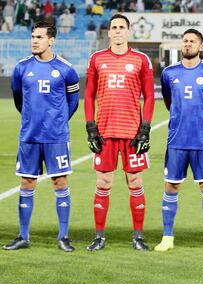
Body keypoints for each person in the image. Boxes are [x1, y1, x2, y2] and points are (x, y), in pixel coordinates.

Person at [4, 21, 79, 252]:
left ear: (51, 40)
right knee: (26, 182)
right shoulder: (21, 68)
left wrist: (58, 122)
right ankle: (23, 236)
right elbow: (18, 99)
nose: (34, 41)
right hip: (29, 136)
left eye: (39, 37)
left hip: (55, 137)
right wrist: (30, 119)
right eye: (33, 37)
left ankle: (63, 237)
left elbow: (73, 102)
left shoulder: (66, 69)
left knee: (60, 182)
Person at [83, 14, 156, 251]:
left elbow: (149, 96)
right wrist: (90, 126)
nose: (117, 31)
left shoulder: (140, 59)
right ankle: (99, 237)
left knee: (135, 182)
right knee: (103, 182)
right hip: (105, 132)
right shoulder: (96, 58)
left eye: (121, 27)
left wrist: (145, 128)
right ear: (109, 32)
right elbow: (88, 95)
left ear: (128, 31)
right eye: (113, 27)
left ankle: (138, 237)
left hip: (133, 132)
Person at [154, 28, 203, 253]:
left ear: (200, 46)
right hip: (177, 139)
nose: (188, 44)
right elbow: (168, 100)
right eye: (185, 41)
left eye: (193, 41)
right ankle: (167, 237)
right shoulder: (169, 73)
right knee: (171, 186)